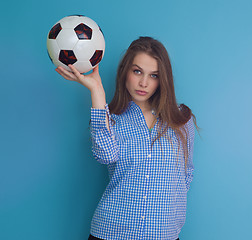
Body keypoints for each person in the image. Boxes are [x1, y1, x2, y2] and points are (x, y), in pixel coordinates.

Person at [56, 36, 197, 240]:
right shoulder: (111, 118)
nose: (144, 82)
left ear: (163, 79)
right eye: (137, 71)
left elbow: (186, 173)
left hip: (163, 234)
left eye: (154, 75)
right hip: (111, 232)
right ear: (125, 71)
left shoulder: (182, 120)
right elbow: (106, 155)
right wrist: (96, 91)